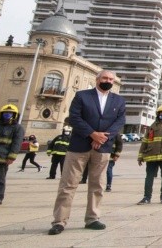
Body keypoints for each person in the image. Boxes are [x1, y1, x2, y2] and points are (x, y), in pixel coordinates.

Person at [49, 70, 126, 235]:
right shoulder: (82, 96)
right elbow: (74, 117)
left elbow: (120, 121)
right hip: (79, 146)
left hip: (103, 148)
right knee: (68, 185)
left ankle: (92, 218)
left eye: (111, 79)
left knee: (98, 185)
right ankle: (59, 221)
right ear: (97, 79)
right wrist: (92, 134)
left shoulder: (118, 100)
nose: (108, 81)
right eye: (105, 78)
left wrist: (102, 138)